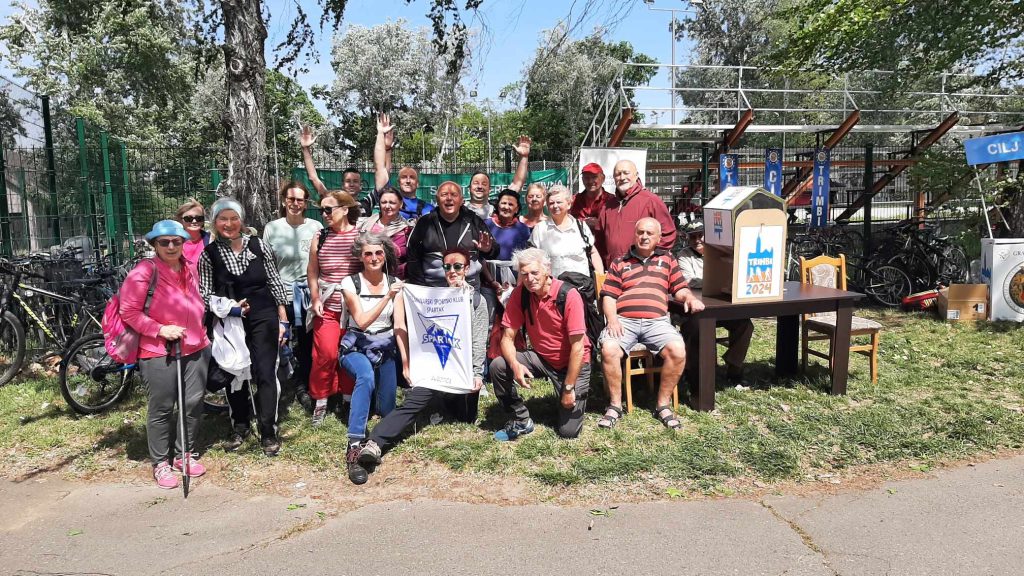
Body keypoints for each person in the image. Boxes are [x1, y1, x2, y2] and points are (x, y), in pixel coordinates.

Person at [353, 248, 487, 480]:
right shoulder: (432, 297)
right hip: (434, 370)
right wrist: (402, 290)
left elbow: (479, 339)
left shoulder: (476, 300)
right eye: (447, 267)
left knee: (465, 417)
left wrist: (477, 373)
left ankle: (442, 402)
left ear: (466, 269)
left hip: (462, 372)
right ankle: (374, 443)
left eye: (457, 266)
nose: (452, 271)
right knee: (412, 404)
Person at [121, 220, 210, 489]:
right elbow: (129, 312)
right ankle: (160, 462)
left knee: (192, 403)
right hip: (157, 349)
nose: (171, 246)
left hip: (196, 345)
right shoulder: (144, 271)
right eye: (164, 242)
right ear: (154, 244)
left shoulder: (190, 267)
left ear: (183, 243)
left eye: (176, 241)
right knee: (161, 406)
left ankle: (185, 454)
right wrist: (160, 329)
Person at [199, 198, 290, 456]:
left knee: (265, 371)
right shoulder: (209, 254)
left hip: (264, 315)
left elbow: (274, 281)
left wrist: (283, 319)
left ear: (241, 220)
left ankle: (268, 430)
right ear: (215, 222)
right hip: (230, 319)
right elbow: (204, 294)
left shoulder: (259, 245)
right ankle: (240, 425)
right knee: (234, 372)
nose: (229, 224)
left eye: (234, 218)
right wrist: (230, 307)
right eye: (223, 219)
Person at [598, 218, 703, 431]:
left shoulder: (667, 259)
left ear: (658, 238)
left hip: (657, 322)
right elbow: (608, 296)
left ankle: (662, 405)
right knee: (609, 348)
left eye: (649, 233)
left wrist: (689, 298)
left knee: (677, 350)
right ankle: (615, 406)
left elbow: (679, 288)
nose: (644, 237)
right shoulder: (620, 262)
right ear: (634, 234)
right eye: (640, 232)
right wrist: (612, 319)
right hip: (624, 321)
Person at [489, 248, 592, 441]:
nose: (530, 279)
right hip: (542, 358)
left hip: (574, 363)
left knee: (568, 432)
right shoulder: (521, 294)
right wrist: (515, 365)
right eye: (524, 274)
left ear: (547, 270)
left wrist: (568, 388)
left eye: (534, 272)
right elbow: (507, 338)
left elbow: (578, 348)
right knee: (498, 366)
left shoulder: (568, 295)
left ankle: (569, 393)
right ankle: (520, 419)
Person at [338, 232, 404, 484]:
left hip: (385, 348)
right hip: (355, 346)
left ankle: (370, 407)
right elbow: (362, 321)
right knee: (365, 376)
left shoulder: (394, 282)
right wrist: (388, 297)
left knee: (387, 410)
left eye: (378, 252)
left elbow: (399, 326)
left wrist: (406, 364)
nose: (374, 258)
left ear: (385, 254)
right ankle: (354, 446)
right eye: (368, 253)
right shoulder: (350, 283)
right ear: (360, 257)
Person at [262, 181, 323, 411]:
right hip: (283, 295)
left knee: (307, 343)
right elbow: (268, 266)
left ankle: (304, 386)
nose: (295, 203)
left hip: (309, 294)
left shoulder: (315, 227)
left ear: (306, 203)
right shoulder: (272, 228)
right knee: (284, 342)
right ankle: (282, 384)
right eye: (291, 199)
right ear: (283, 200)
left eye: (300, 199)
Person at [307, 190, 363, 426]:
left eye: (328, 209)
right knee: (325, 354)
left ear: (345, 209)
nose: (324, 214)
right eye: (322, 210)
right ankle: (321, 400)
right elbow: (312, 270)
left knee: (350, 353)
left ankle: (348, 399)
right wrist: (315, 297)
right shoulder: (320, 236)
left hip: (354, 308)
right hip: (327, 306)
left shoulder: (360, 236)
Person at [676, 222, 753, 385]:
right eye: (692, 237)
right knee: (697, 326)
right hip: (696, 308)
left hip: (722, 305)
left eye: (700, 235)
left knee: (745, 324)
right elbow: (688, 280)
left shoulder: (720, 252)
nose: (697, 240)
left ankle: (734, 367)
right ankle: (698, 372)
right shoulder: (684, 255)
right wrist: (716, 281)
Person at [405, 181, 499, 290]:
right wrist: (422, 289)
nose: (449, 198)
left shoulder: (474, 221)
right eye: (444, 194)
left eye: (454, 195)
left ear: (461, 200)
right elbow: (413, 258)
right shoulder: (425, 223)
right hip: (433, 289)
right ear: (437, 200)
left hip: (469, 288)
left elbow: (494, 252)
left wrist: (488, 250)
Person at [597, 159, 677, 266]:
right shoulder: (608, 206)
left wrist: (651, 260)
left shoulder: (651, 201)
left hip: (642, 270)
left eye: (626, 173)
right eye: (618, 174)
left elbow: (668, 234)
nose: (622, 177)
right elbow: (599, 239)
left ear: (636, 175)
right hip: (614, 269)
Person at [530, 184, 604, 279]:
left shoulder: (581, 227)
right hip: (552, 285)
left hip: (581, 285)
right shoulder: (540, 229)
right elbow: (531, 259)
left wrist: (601, 278)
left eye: (559, 202)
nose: (555, 206)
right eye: (551, 203)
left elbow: (593, 253)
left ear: (569, 204)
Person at [372, 114, 434, 221]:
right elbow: (380, 167)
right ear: (398, 182)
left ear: (418, 183)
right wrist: (382, 138)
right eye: (404, 177)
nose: (408, 181)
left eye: (412, 177)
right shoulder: (388, 198)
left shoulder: (429, 209)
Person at [465, 135, 532, 220]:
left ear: (490, 189)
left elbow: (517, 184)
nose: (480, 186)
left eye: (484, 184)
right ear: (469, 188)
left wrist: (524, 157)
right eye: (476, 183)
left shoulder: (497, 207)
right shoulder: (459, 209)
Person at [356, 186, 411, 278]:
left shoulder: (407, 230)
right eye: (384, 202)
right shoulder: (366, 224)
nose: (387, 206)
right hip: (367, 278)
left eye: (392, 203)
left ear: (400, 204)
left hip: (396, 279)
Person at [570, 162, 618, 235]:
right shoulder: (573, 201)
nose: (590, 181)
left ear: (603, 178)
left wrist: (599, 223)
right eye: (587, 178)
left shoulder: (612, 201)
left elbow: (618, 226)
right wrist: (583, 222)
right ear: (582, 179)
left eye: (594, 177)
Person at [174, 199, 210, 276]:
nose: (194, 221)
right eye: (188, 219)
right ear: (180, 220)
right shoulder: (171, 242)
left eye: (199, 218)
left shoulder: (211, 241)